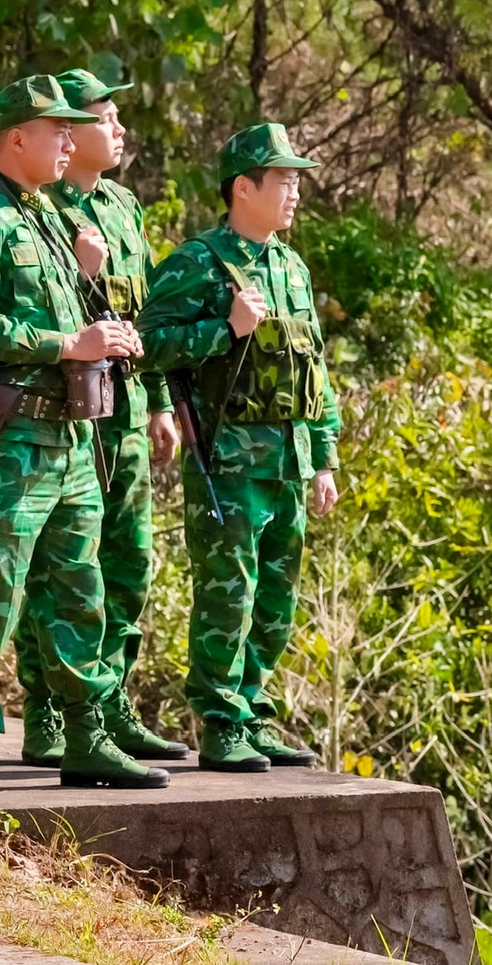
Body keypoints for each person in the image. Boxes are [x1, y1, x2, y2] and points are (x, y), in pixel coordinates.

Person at [0, 74, 170, 796]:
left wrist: (98, 323)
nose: (70, 138)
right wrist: (69, 342)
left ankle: (85, 733)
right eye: (56, 129)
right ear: (15, 140)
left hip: (71, 439)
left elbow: (75, 321)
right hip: (7, 442)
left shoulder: (44, 218)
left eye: (75, 128)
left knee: (79, 590)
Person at [136, 123, 342, 773]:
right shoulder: (199, 261)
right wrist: (224, 329)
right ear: (242, 187)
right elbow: (149, 344)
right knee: (231, 592)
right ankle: (221, 721)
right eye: (282, 181)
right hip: (226, 461)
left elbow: (315, 372)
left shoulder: (290, 266)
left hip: (287, 460)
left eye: (295, 182)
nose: (294, 194)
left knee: (278, 600)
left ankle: (251, 712)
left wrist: (324, 455)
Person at [13, 69, 187, 766]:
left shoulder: (120, 205)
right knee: (60, 567)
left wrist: (163, 404)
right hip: (68, 408)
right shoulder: (42, 208)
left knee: (127, 561)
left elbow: (142, 315)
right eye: (106, 119)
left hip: (128, 404)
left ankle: (109, 704)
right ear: (70, 129)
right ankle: (50, 710)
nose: (119, 132)